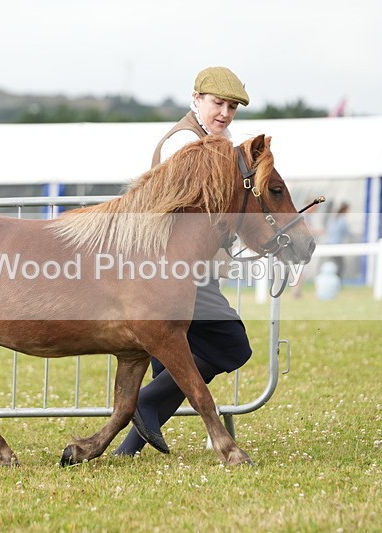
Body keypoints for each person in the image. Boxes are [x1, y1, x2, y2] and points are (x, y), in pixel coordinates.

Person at [114, 66, 253, 456]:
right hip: (172, 271)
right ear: (196, 100)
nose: (224, 113)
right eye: (217, 103)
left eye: (231, 107)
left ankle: (128, 448)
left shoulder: (210, 141)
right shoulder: (186, 144)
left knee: (174, 362)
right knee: (232, 344)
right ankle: (142, 406)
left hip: (183, 269)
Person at [324, 202, 350, 279]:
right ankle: (337, 281)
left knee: (332, 263)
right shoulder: (342, 219)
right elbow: (347, 232)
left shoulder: (333, 218)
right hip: (335, 245)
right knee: (341, 265)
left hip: (328, 244)